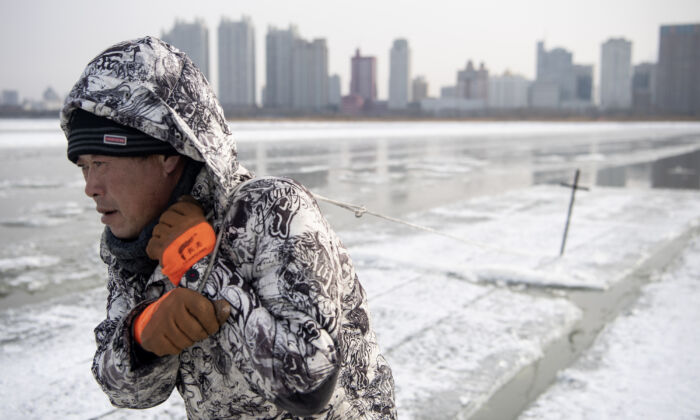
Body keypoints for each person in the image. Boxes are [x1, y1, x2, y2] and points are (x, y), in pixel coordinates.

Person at [61, 36, 396, 419]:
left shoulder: (269, 209)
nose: (90, 188)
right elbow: (128, 394)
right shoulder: (132, 248)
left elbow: (309, 384)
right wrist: (141, 339)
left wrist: (197, 259)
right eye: (83, 166)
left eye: (101, 163)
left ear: (166, 154)